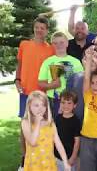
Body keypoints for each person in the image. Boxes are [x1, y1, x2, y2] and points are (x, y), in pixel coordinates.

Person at [15, 16, 55, 168]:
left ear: (46, 31)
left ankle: (41, 157)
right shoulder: (24, 44)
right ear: (34, 28)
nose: (39, 30)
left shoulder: (50, 48)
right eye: (37, 27)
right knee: (24, 125)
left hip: (42, 94)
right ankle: (25, 157)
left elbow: (53, 71)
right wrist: (17, 80)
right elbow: (19, 65)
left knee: (43, 125)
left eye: (42, 28)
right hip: (26, 92)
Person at [21, 90, 71, 171]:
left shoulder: (50, 123)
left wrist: (65, 162)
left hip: (48, 164)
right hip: (34, 165)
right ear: (29, 106)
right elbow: (32, 142)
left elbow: (58, 144)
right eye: (36, 105)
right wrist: (37, 123)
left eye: (43, 105)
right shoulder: (26, 123)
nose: (40, 108)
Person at [38, 32, 83, 118]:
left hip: (72, 100)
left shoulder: (76, 62)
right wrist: (52, 85)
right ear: (52, 45)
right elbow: (40, 83)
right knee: (54, 126)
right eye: (55, 43)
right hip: (53, 99)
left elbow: (81, 82)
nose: (59, 45)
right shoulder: (47, 62)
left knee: (71, 127)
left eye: (61, 42)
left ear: (67, 43)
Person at [54, 90, 81, 171]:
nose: (66, 106)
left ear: (75, 105)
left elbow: (77, 142)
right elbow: (53, 137)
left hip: (69, 157)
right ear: (60, 103)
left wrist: (73, 157)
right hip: (56, 156)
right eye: (63, 102)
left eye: (69, 103)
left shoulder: (76, 121)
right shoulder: (57, 118)